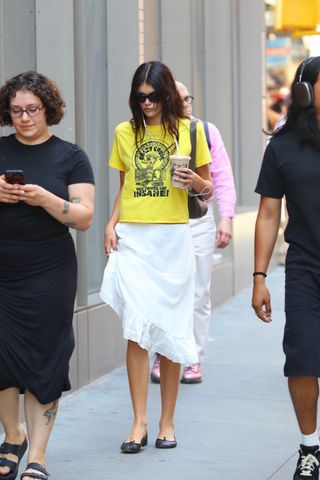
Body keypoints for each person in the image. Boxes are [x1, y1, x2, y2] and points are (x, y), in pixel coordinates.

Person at [100, 61, 212, 453]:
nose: (145, 103)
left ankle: (167, 422)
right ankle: (139, 421)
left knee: (169, 330)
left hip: (173, 239)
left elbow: (207, 189)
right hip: (134, 238)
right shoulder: (124, 132)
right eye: (139, 97)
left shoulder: (190, 130)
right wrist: (111, 223)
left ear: (167, 95)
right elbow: (125, 185)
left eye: (152, 96)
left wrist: (195, 182)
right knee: (136, 330)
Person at [0, 71, 95, 480]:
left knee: (45, 360)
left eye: (32, 110)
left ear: (48, 109)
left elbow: (84, 217)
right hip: (3, 272)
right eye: (16, 110)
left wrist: (45, 199)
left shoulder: (70, 156)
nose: (24, 118)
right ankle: (13, 435)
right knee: (1, 360)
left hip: (49, 274)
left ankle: (37, 454)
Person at [252, 56, 320, 480]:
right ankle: (310, 449)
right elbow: (267, 215)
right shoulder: (282, 148)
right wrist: (258, 277)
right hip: (304, 268)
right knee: (301, 357)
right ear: (305, 92)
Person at [150, 81, 236, 384]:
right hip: (161, 221)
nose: (187, 104)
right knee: (166, 291)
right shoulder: (152, 132)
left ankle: (192, 359)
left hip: (197, 219)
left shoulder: (205, 131)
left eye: (189, 98)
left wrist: (226, 218)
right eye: (180, 99)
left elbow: (222, 176)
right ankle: (163, 353)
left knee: (198, 292)